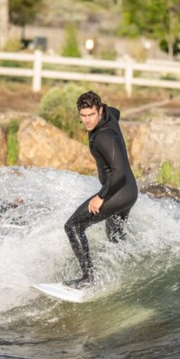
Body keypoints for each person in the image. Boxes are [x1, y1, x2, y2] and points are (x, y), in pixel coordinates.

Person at [64, 90, 138, 288]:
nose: (87, 121)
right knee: (115, 235)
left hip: (117, 191)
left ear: (100, 110)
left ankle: (87, 279)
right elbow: (117, 111)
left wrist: (101, 196)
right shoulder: (110, 114)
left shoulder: (102, 137)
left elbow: (119, 171)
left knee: (73, 226)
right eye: (83, 115)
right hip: (130, 191)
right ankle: (130, 273)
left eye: (91, 115)